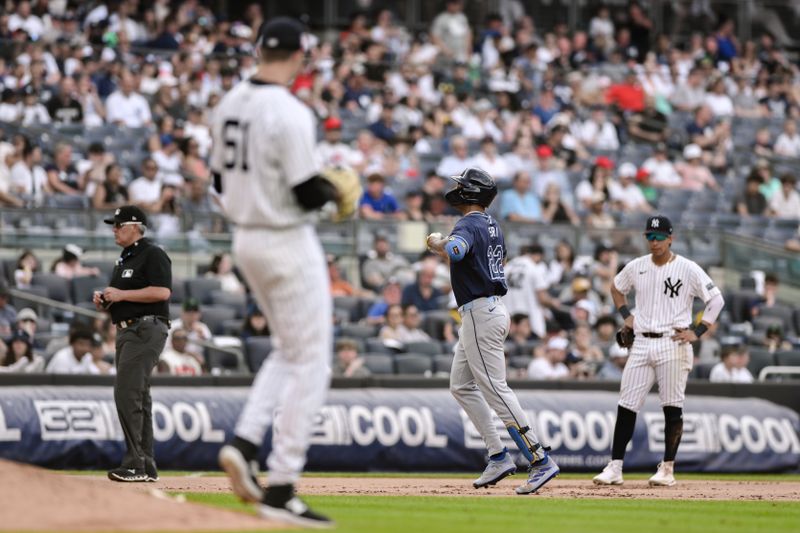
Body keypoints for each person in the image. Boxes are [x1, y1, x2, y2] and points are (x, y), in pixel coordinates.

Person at [213, 18, 335, 527]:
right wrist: (335, 193)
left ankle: (243, 442)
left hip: (244, 235)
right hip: (285, 238)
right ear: (301, 57)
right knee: (313, 363)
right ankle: (283, 484)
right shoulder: (288, 110)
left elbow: (218, 180)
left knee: (289, 352)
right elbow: (309, 192)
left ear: (261, 48)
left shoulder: (227, 102)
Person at [426, 167, 559, 495]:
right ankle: (498, 455)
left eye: (461, 186)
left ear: (470, 192)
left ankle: (539, 458)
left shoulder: (469, 222)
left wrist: (438, 242)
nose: (455, 189)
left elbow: (456, 250)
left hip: (481, 313)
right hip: (486, 311)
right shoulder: (491, 224)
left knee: (495, 388)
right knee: (460, 386)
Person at [593, 215, 725, 488]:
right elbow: (617, 288)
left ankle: (667, 468)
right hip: (641, 341)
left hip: (673, 342)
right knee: (626, 404)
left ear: (670, 238)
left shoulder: (688, 268)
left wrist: (698, 331)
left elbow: (716, 300)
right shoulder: (637, 266)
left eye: (659, 237)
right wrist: (626, 316)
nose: (654, 242)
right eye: (650, 237)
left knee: (671, 406)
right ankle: (615, 466)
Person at [93, 205, 172, 483]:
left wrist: (122, 295)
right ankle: (146, 464)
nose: (114, 229)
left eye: (118, 225)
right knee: (139, 396)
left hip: (145, 328)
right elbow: (124, 298)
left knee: (127, 393)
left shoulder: (152, 253)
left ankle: (135, 464)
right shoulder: (124, 259)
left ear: (135, 226)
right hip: (128, 330)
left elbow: (162, 291)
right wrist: (107, 301)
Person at [503, 243, 554, 339]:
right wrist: (553, 302)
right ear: (538, 255)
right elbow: (542, 298)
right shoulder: (534, 267)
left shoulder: (507, 267)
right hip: (530, 319)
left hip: (508, 318)